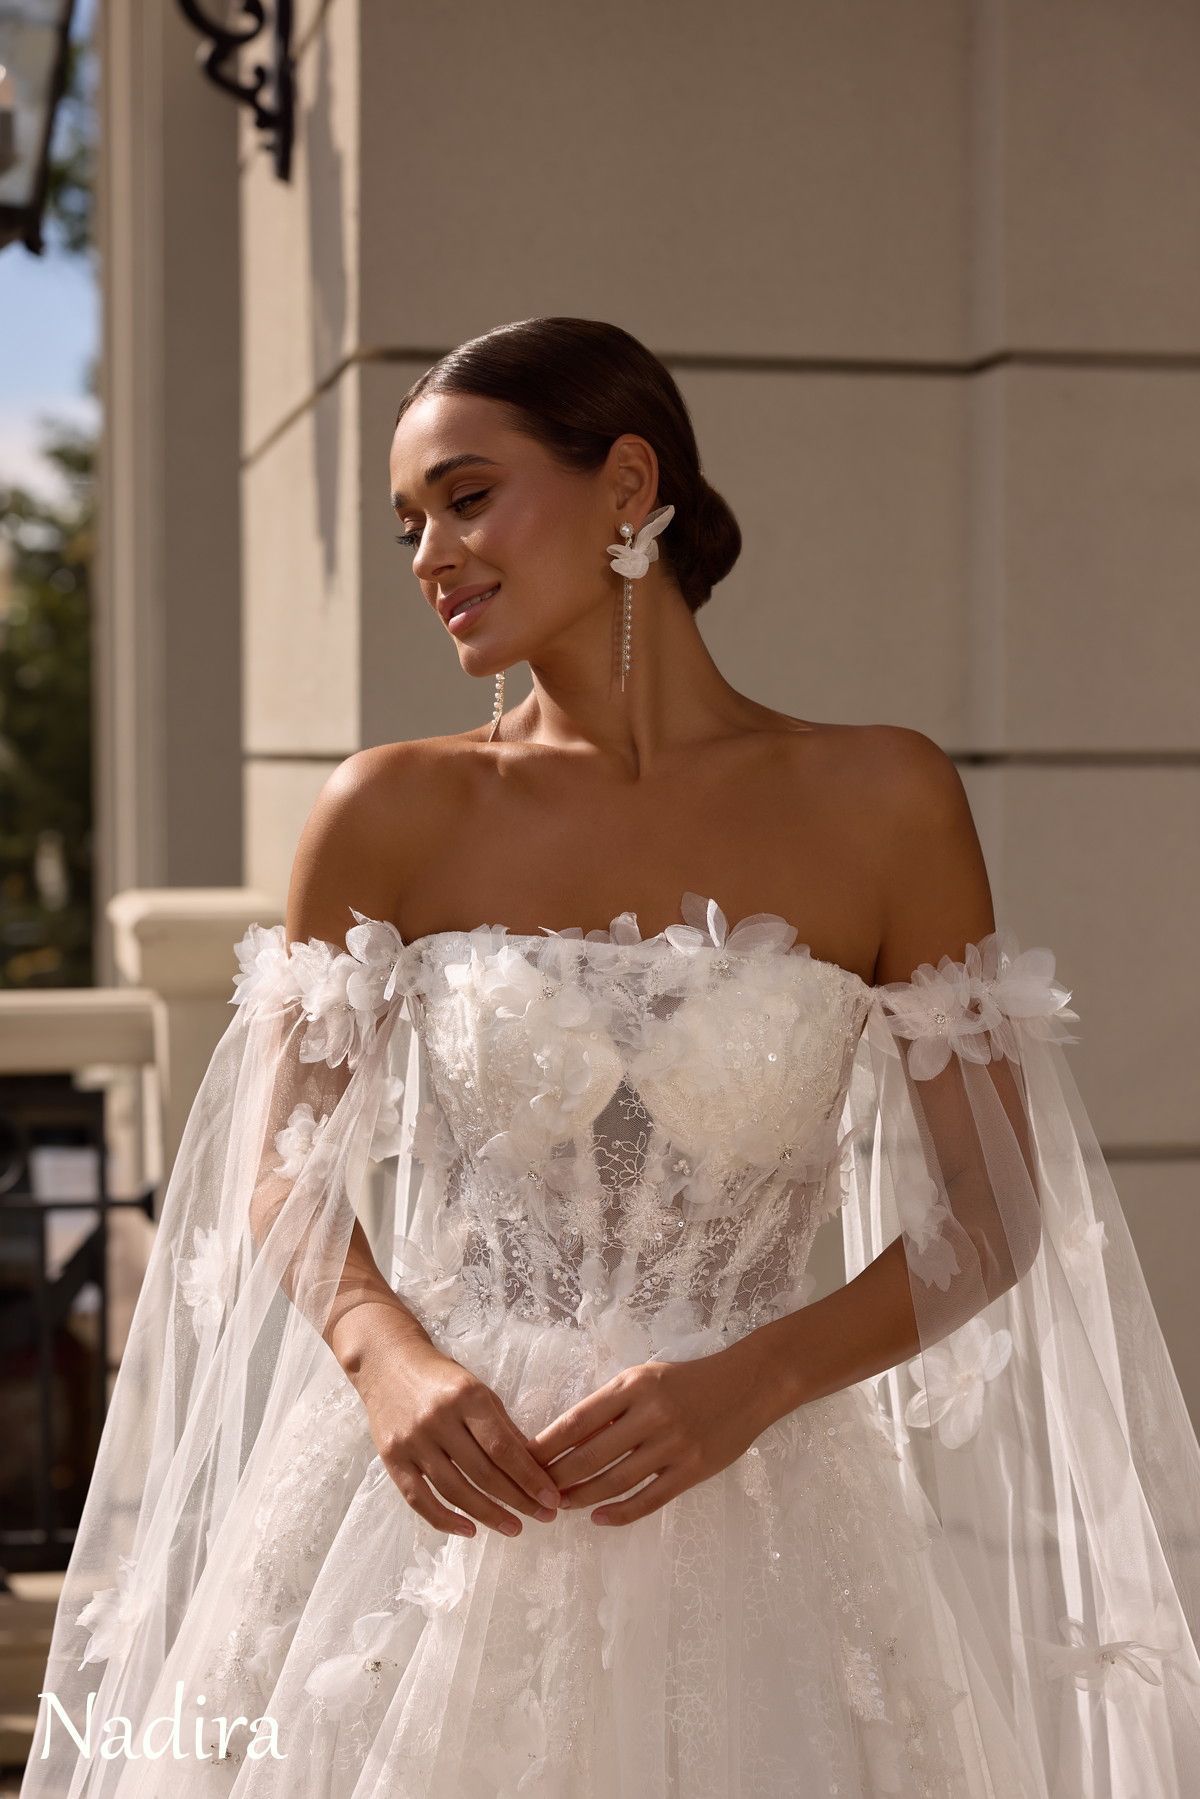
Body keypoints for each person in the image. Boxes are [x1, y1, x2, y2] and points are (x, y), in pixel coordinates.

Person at [22, 317, 1200, 1797]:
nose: (428, 556)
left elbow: (995, 1201)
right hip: (449, 1502)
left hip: (762, 1515)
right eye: (407, 524)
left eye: (465, 497)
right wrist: (385, 1361)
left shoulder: (880, 798)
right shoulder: (390, 813)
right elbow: (278, 1162)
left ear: (627, 483)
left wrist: (756, 1380)